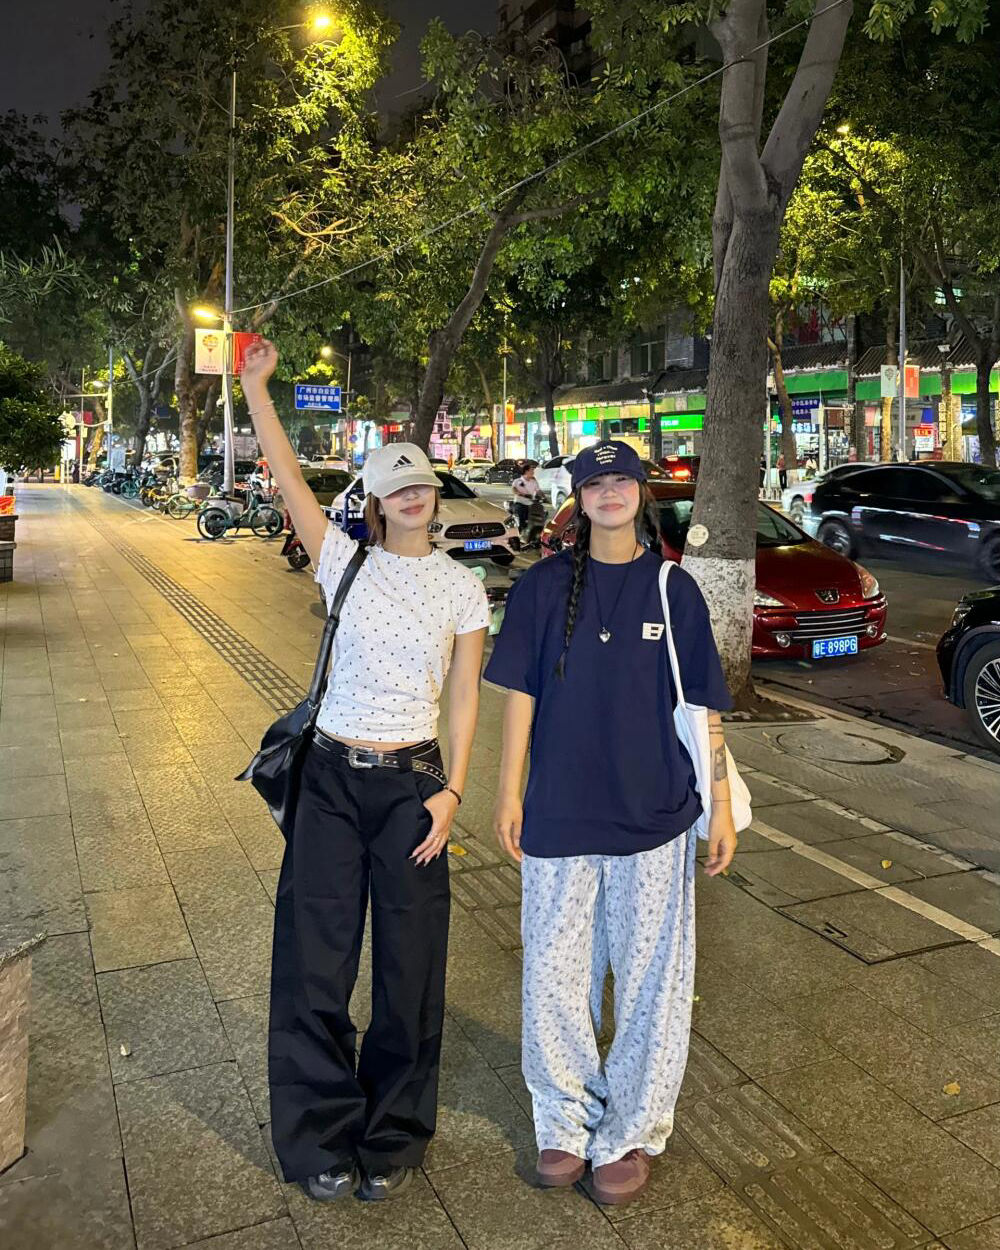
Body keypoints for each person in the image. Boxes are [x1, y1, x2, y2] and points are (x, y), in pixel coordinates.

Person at [241, 340, 489, 1204]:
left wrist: (453, 791)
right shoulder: (343, 561)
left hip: (414, 787)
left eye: (422, 483)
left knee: (410, 967)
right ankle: (318, 1135)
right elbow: (286, 475)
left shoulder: (462, 588)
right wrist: (256, 388)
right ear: (376, 501)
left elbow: (466, 696)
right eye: (395, 486)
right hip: (331, 783)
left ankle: (392, 1135)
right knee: (314, 958)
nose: (412, 495)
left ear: (435, 492)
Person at [488, 441, 737, 1207]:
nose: (608, 492)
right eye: (594, 483)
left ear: (640, 493)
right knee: (553, 976)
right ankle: (563, 1121)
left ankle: (628, 1131)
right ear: (578, 499)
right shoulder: (541, 587)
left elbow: (703, 706)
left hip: (654, 817)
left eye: (621, 479)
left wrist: (722, 804)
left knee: (652, 983)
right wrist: (507, 792)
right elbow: (521, 695)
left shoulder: (673, 589)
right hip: (559, 814)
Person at [511, 461, 540, 532]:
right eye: (531, 470)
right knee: (521, 518)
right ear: (526, 471)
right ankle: (520, 532)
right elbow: (514, 490)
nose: (533, 472)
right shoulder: (517, 481)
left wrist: (543, 498)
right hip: (520, 503)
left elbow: (538, 491)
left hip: (531, 504)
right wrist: (523, 494)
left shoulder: (534, 481)